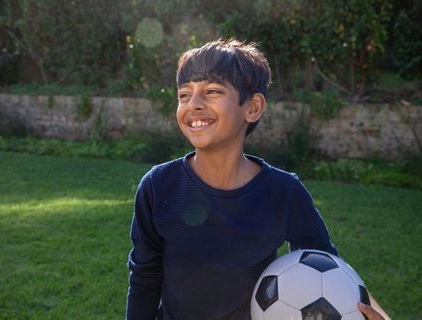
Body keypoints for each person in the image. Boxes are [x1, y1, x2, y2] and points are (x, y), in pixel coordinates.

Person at [126, 39, 389, 320]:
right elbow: (144, 279)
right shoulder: (157, 186)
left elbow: (332, 268)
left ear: (252, 107)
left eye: (212, 91)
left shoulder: (284, 192)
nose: (194, 104)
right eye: (184, 94)